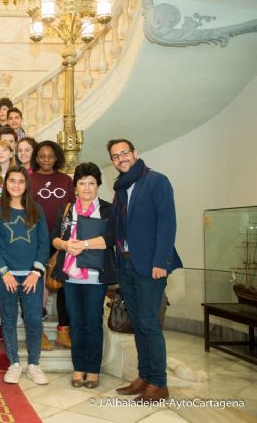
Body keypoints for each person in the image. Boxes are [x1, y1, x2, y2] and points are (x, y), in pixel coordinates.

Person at [108, 139, 182, 402]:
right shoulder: (120, 188)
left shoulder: (156, 181)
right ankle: (145, 376)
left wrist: (160, 261)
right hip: (126, 264)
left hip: (151, 265)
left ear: (135, 154)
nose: (120, 159)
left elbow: (167, 222)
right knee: (138, 323)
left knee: (150, 324)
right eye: (115, 157)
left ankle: (159, 383)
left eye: (124, 153)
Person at [50, 163, 116, 389]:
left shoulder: (107, 209)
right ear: (75, 187)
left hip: (95, 277)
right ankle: (79, 368)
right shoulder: (67, 209)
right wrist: (66, 244)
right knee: (76, 324)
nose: (87, 188)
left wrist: (85, 244)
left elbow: (111, 238)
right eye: (82, 183)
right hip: (70, 276)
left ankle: (93, 369)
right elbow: (54, 239)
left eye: (91, 183)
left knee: (93, 323)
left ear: (98, 185)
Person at [0, 166, 49, 385]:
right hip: (5, 276)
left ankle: (34, 364)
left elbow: (43, 243)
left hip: (32, 276)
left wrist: (36, 272)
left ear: (26, 185)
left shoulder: (36, 210)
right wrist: (4, 272)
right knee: (9, 318)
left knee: (33, 318)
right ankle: (14, 363)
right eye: (12, 181)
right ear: (5, 184)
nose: (16, 185)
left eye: (21, 181)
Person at [30, 140, 74, 351]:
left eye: (51, 156)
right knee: (37, 287)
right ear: (36, 158)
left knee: (64, 287)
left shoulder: (66, 180)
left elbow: (72, 209)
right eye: (42, 156)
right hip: (36, 240)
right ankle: (38, 332)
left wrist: (65, 241)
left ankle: (64, 332)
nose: (46, 159)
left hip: (63, 241)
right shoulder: (29, 179)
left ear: (57, 157)